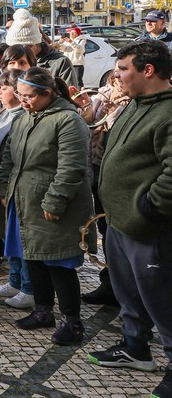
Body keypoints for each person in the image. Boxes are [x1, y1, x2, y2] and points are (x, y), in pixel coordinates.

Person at [88, 41, 172, 398]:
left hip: (148, 228)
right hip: (120, 223)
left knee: (162, 299)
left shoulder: (167, 112)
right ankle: (135, 348)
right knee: (129, 295)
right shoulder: (135, 104)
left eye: (123, 69)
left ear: (147, 70)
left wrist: (148, 208)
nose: (117, 76)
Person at [0, 67, 92, 345]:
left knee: (58, 262)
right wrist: (5, 187)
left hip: (50, 204)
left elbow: (72, 168)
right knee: (33, 257)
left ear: (47, 94)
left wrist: (55, 200)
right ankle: (42, 311)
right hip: (24, 200)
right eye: (19, 95)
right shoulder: (26, 117)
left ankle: (72, 322)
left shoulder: (67, 121)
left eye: (28, 96)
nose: (23, 101)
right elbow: (9, 156)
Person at [76, 71, 127, 307]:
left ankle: (128, 291)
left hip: (124, 178)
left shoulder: (135, 100)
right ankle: (109, 284)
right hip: (99, 167)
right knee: (107, 231)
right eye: (117, 69)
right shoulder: (104, 94)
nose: (117, 74)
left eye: (123, 69)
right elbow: (88, 122)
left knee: (124, 235)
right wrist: (87, 106)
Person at [0, 70, 27, 282]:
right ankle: (14, 279)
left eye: (5, 87)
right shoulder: (0, 114)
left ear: (18, 92)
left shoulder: (22, 118)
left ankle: (24, 284)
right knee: (5, 236)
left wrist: (4, 188)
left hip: (9, 191)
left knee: (17, 238)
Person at [4, 9, 76, 86]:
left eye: (27, 46)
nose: (21, 51)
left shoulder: (60, 63)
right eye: (15, 48)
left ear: (36, 43)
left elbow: (70, 95)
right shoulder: (9, 61)